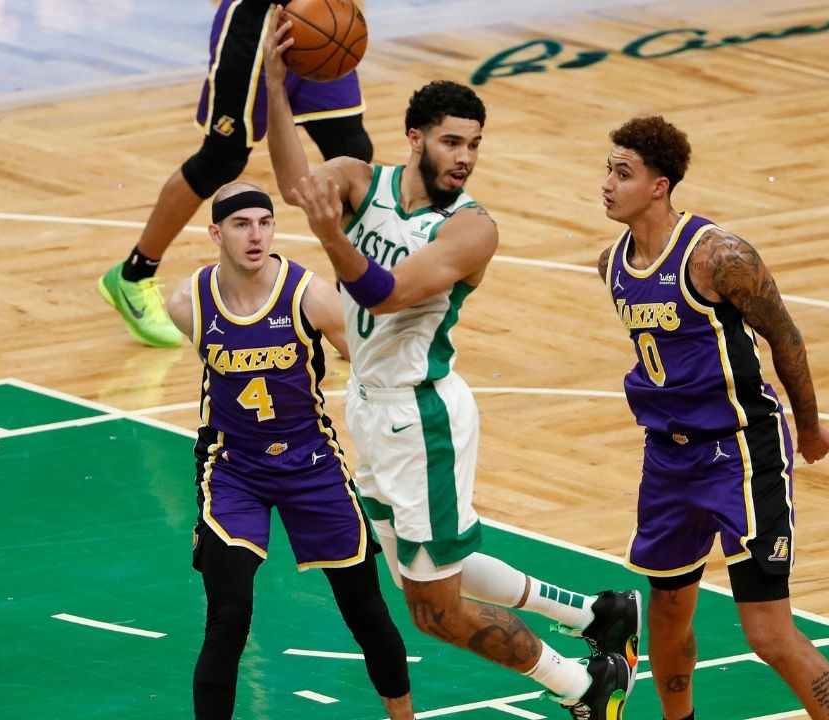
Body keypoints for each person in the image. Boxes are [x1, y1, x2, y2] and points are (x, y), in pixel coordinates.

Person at [260, 13, 640, 720]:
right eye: (451, 141)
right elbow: (294, 184)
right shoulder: (357, 180)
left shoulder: (472, 229)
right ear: (415, 139)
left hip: (422, 416)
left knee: (431, 611)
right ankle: (598, 614)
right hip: (369, 407)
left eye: (474, 145)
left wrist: (325, 234)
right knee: (426, 574)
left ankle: (585, 685)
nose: (465, 157)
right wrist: (276, 91)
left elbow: (388, 290)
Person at [595, 116, 829, 720]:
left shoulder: (719, 257)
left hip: (741, 452)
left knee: (767, 634)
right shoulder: (610, 264)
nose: (607, 183)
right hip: (666, 457)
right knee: (665, 612)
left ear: (659, 186)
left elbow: (786, 339)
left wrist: (810, 429)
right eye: (607, 168)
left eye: (623, 173)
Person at [164, 181, 414, 720]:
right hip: (233, 469)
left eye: (264, 222)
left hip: (311, 463)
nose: (256, 235)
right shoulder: (188, 302)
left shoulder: (311, 295)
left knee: (364, 608)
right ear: (215, 233)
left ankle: (403, 714)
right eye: (240, 224)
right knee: (227, 615)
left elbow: (373, 368)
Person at [101, 0, 374, 348]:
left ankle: (349, 305)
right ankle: (133, 276)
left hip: (321, 17)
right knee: (221, 159)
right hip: (256, 23)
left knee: (351, 154)